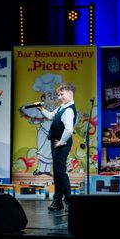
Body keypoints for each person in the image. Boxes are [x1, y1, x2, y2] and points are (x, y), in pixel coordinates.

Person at [37, 82, 77, 211]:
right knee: (57, 172)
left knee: (60, 172)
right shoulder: (62, 107)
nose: (59, 97)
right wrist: (41, 109)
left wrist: (61, 142)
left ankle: (69, 200)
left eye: (61, 94)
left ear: (70, 94)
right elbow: (51, 116)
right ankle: (58, 201)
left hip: (61, 144)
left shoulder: (69, 110)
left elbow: (69, 130)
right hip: (56, 143)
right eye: (58, 95)